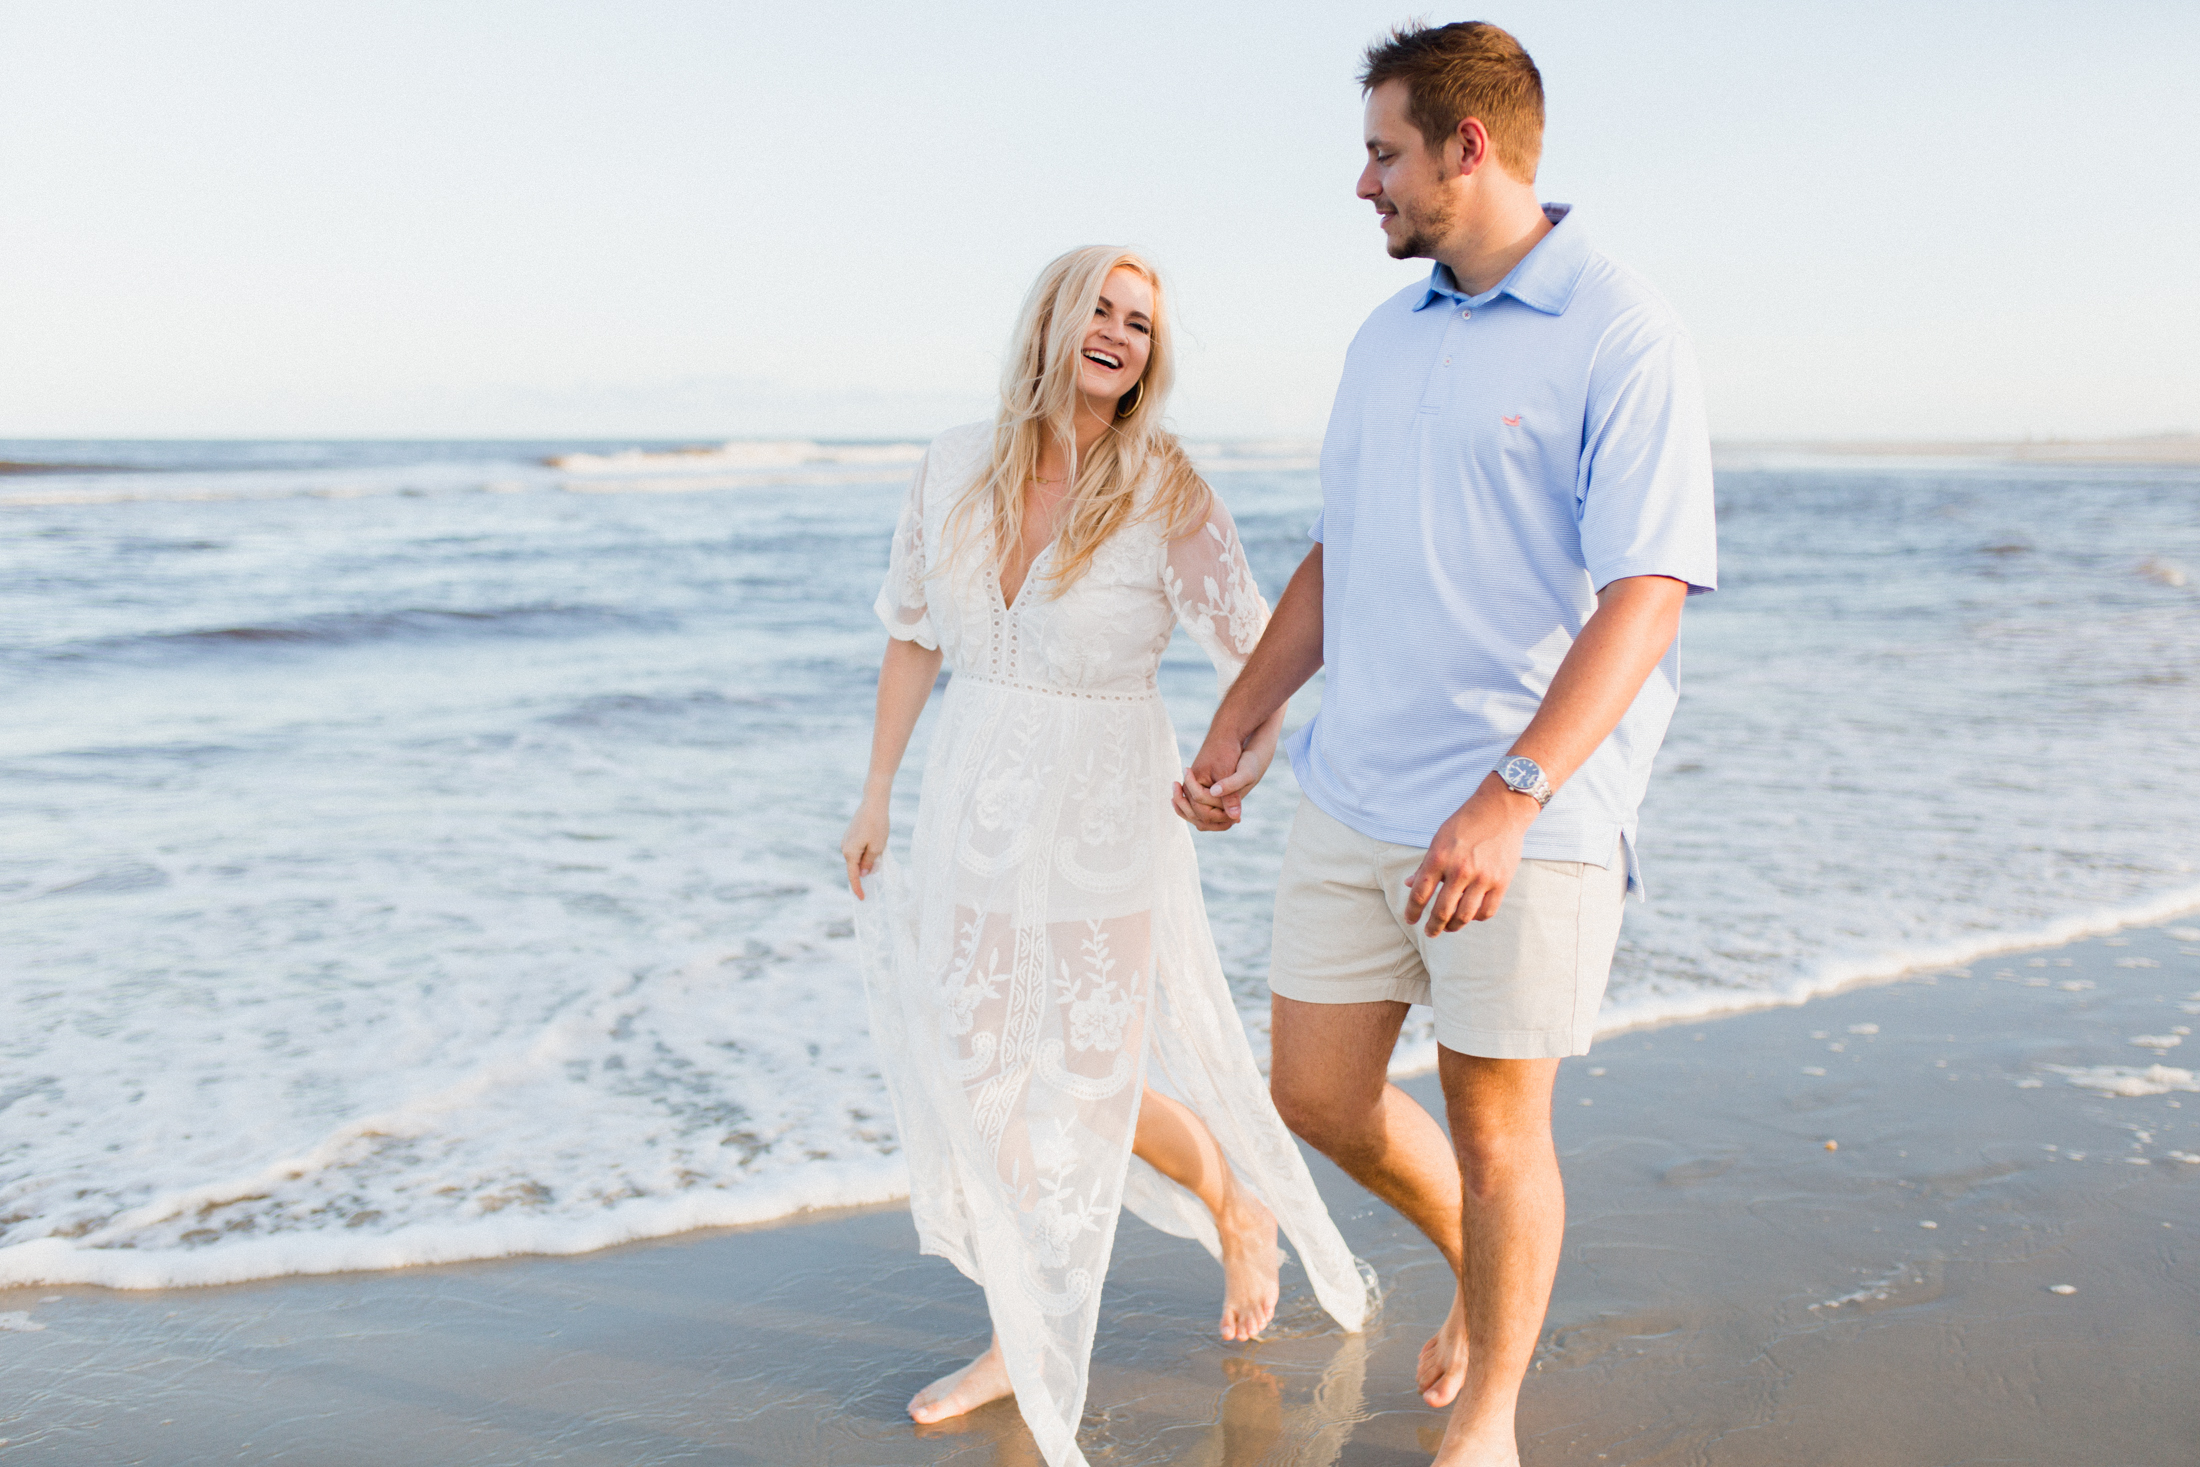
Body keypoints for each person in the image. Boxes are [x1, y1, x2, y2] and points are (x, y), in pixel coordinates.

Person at [1177, 21, 1718, 1467]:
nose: (1364, 186)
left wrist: (1515, 791)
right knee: (1316, 1093)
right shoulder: (1384, 333)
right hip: (1355, 790)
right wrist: (1246, 709)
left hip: (1522, 812)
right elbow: (1341, 552)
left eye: (1383, 154)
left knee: (1496, 1127)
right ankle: (1488, 1273)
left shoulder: (1623, 327)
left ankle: (1489, 1413)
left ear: (1467, 148)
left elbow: (1647, 595)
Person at [843, 245, 1369, 1467]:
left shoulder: (1164, 485)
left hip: (1103, 805)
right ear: (1052, 318)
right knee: (983, 1073)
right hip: (973, 789)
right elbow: (913, 636)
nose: (1119, 333)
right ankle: (1175, 1231)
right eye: (1102, 308)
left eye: (1140, 322)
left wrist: (1234, 763)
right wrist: (873, 791)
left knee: (1084, 1072)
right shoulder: (952, 462)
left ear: (1149, 358)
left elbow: (1261, 643)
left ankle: (1034, 1342)